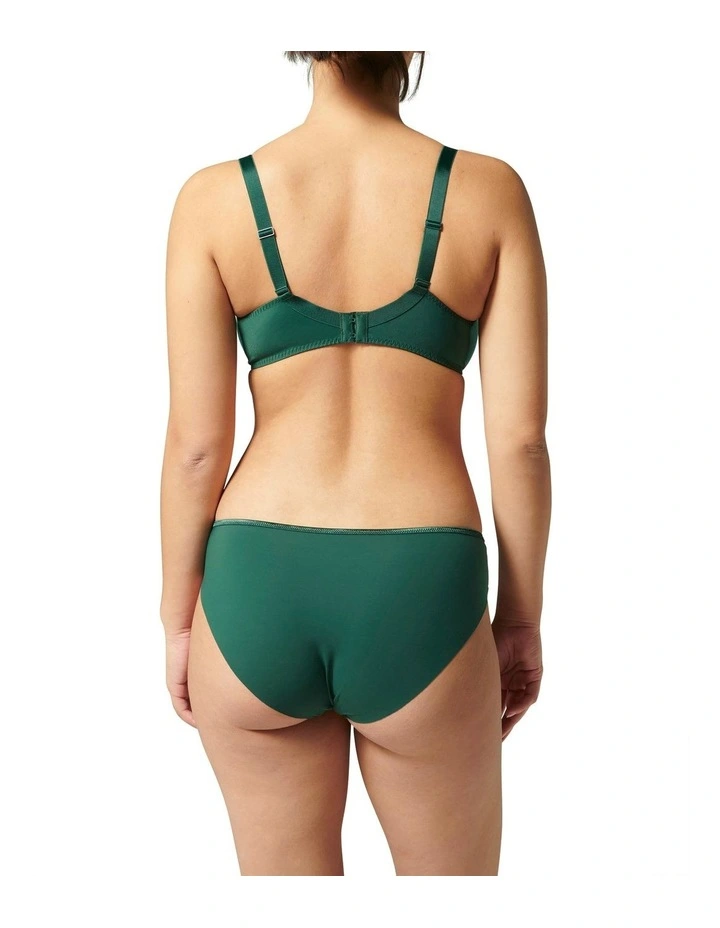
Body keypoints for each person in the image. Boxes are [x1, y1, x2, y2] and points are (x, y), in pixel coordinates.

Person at [159, 51, 550, 877]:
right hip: (421, 582)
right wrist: (519, 619)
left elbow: (196, 449)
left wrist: (179, 619)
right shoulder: (489, 192)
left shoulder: (213, 200)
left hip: (255, 584)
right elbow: (520, 442)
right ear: (410, 44)